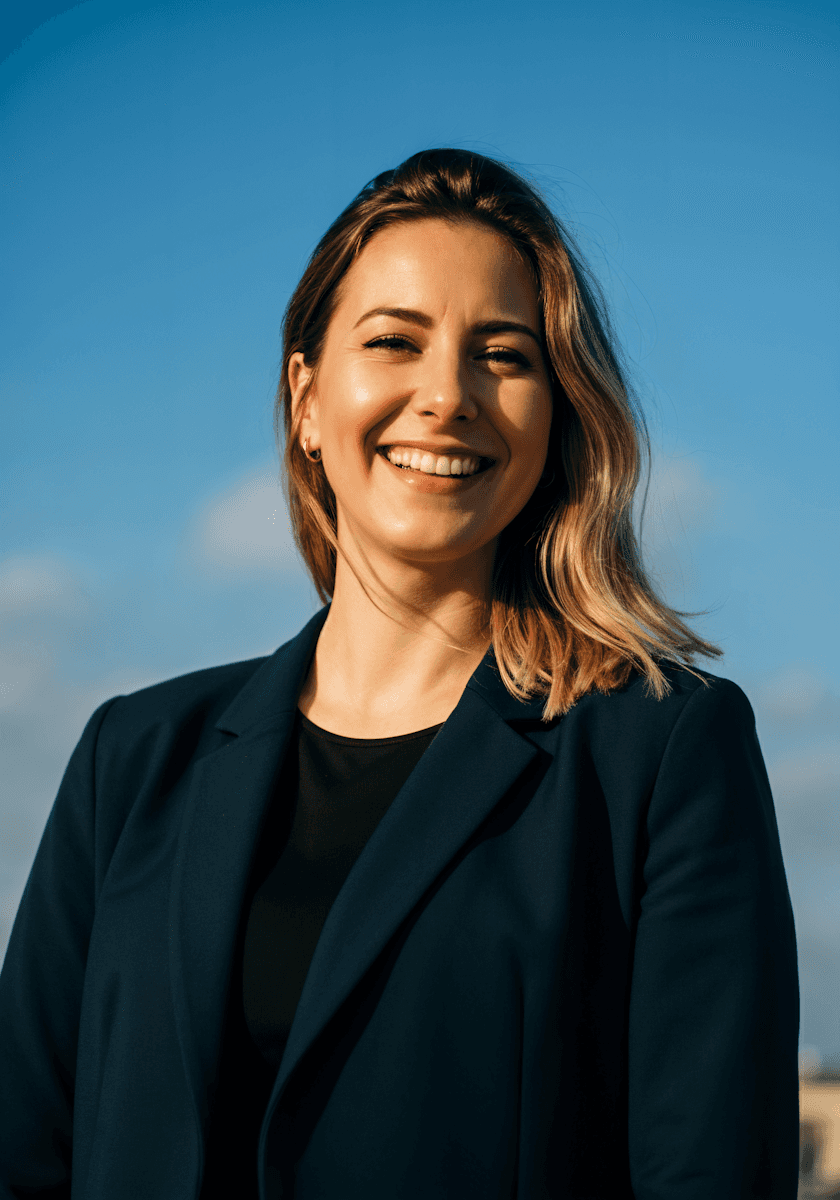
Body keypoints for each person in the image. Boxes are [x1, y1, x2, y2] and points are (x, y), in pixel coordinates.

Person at [0, 148, 799, 1198]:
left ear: (557, 412)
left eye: (502, 355)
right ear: (306, 397)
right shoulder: (130, 758)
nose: (447, 395)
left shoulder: (661, 753)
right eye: (394, 342)